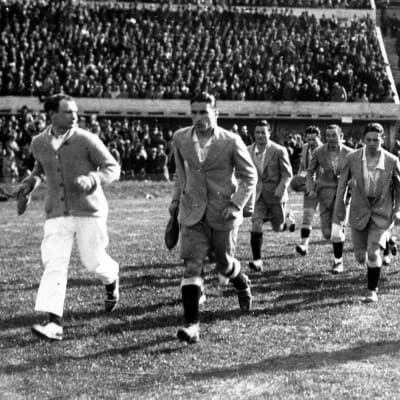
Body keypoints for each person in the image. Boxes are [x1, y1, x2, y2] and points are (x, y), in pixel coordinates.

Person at [15, 94, 120, 341]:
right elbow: (41, 170)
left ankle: (112, 276)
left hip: (89, 209)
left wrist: (93, 179)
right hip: (57, 213)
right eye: (67, 112)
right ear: (52, 114)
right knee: (54, 263)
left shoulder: (86, 139)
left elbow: (112, 168)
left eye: (75, 111)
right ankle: (54, 323)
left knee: (93, 261)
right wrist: (30, 184)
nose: (74, 116)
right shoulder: (38, 142)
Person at [169, 92, 257, 343]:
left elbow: (250, 176)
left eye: (204, 112)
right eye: (194, 112)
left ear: (215, 113)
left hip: (222, 213)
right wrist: (175, 204)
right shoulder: (180, 138)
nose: (198, 117)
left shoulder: (230, 140)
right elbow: (180, 175)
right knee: (192, 265)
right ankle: (192, 326)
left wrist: (236, 204)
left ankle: (240, 281)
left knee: (224, 264)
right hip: (192, 213)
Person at [333, 122, 400, 302]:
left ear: (382, 140)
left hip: (381, 213)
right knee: (360, 257)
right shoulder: (352, 158)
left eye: (376, 140)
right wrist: (339, 207)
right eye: (369, 140)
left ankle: (372, 291)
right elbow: (342, 185)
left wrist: (397, 210)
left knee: (372, 252)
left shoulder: (392, 160)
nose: (372, 143)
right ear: (364, 140)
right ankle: (389, 240)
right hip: (358, 211)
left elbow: (399, 189)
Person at [247, 120, 293, 272]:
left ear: (269, 133)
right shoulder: (248, 151)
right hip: (257, 196)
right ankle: (257, 261)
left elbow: (287, 174)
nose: (260, 135)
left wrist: (282, 187)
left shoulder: (279, 150)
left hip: (275, 195)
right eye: (257, 132)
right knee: (256, 223)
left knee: (278, 228)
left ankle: (287, 218)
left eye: (263, 132)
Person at [306, 124, 353, 273]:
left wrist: (352, 184)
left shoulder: (351, 153)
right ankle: (340, 231)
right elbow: (309, 172)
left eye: (334, 135)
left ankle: (338, 262)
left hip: (343, 196)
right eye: (329, 136)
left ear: (341, 136)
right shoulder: (319, 152)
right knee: (327, 233)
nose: (331, 139)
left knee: (336, 233)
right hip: (324, 195)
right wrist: (311, 188)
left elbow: (357, 174)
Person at [292, 126, 323, 256]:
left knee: (332, 224)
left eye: (313, 139)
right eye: (308, 139)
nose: (311, 142)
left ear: (319, 137)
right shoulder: (304, 148)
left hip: (325, 187)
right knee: (307, 216)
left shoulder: (325, 149)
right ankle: (304, 245)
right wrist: (301, 179)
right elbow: (302, 167)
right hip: (310, 187)